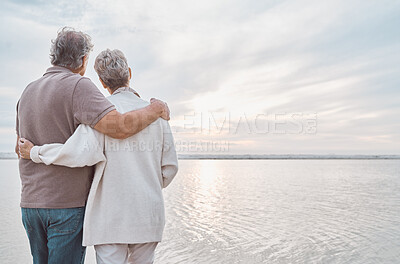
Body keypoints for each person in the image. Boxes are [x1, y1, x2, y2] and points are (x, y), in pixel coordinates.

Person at [15, 28, 170, 264]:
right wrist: (155, 109)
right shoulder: (81, 88)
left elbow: (22, 145)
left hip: (32, 205)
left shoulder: (27, 91)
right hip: (70, 206)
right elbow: (120, 127)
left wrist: (33, 152)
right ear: (83, 60)